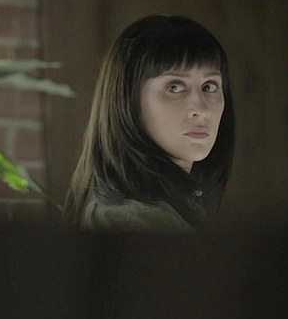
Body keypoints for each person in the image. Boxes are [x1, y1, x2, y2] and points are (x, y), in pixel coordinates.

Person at [64, 15, 235, 232]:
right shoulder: (137, 220)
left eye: (209, 86)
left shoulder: (162, 206)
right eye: (174, 87)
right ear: (129, 100)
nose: (201, 109)